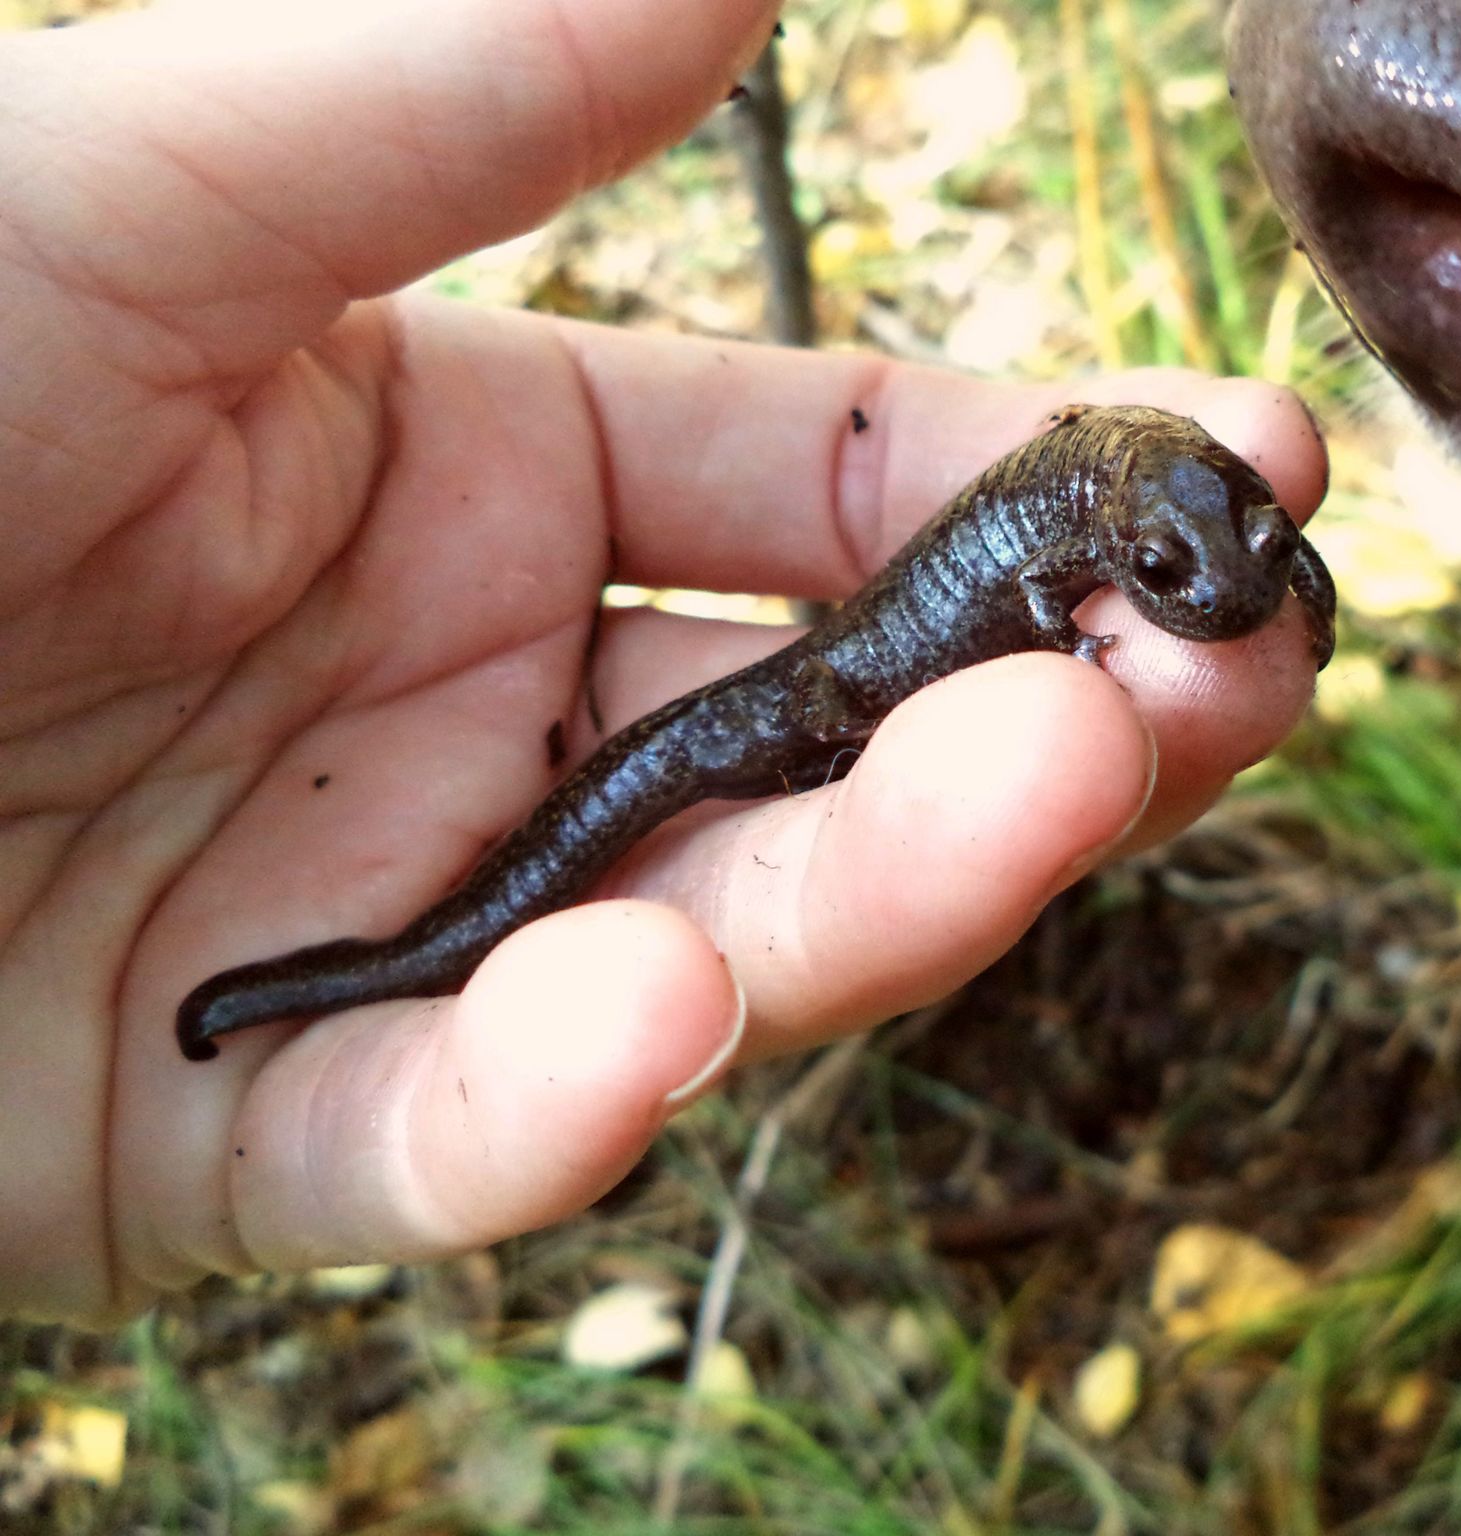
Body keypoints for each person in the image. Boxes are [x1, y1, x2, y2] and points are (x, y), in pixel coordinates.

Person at [0, 0, 1328, 1326]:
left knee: (890, 785)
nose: (1218, 596)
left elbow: (1247, 540)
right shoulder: (1097, 517)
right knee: (647, 802)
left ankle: (394, 953)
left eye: (1253, 554)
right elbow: (1050, 584)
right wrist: (1070, 634)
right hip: (831, 695)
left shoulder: (1195, 494)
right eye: (1165, 582)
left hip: (850, 672)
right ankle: (363, 966)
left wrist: (1285, 584)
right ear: (1119, 535)